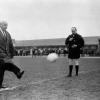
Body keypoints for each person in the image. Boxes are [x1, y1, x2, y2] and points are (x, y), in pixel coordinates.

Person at [0, 21, 24, 89]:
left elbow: (10, 44)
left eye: (6, 25)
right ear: (0, 25)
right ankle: (18, 73)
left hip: (6, 55)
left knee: (3, 69)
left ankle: (18, 73)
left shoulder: (8, 34)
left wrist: (12, 53)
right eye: (4, 25)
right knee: (5, 67)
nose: (6, 26)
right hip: (0, 55)